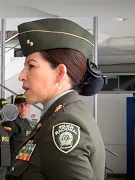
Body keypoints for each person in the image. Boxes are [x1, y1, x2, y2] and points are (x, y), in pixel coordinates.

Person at [7, 18, 106, 180]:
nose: (21, 76)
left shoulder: (64, 124)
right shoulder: (55, 117)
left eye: (31, 66)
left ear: (60, 73)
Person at [2, 94, 33, 162]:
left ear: (29, 106)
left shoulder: (28, 124)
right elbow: (3, 146)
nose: (23, 107)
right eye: (20, 104)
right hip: (11, 163)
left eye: (25, 104)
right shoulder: (10, 123)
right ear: (15, 106)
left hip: (23, 162)